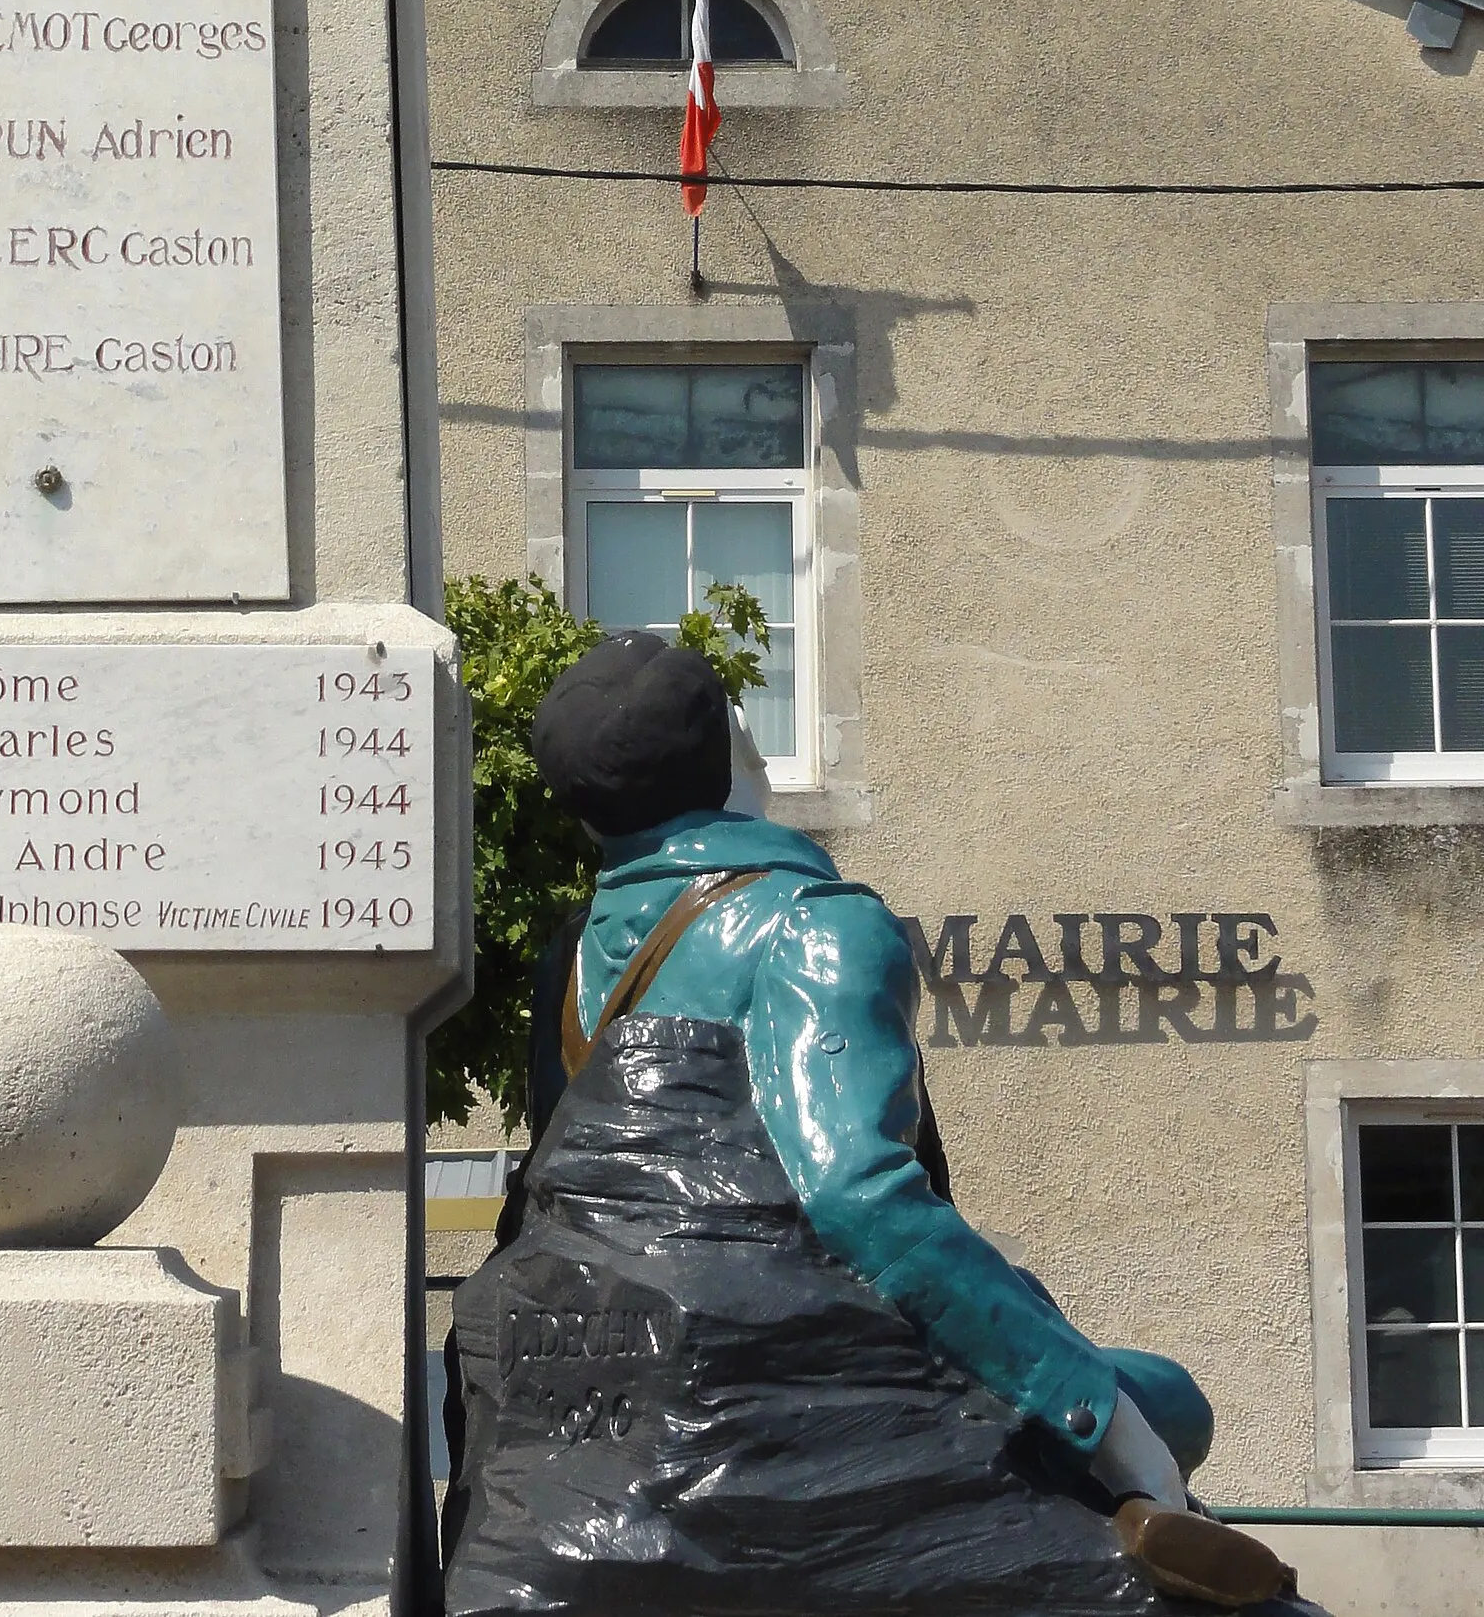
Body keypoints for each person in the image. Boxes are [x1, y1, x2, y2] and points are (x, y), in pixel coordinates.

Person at [440, 633, 1315, 1617]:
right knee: (1164, 1402)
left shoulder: (569, 955)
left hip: (607, 1409)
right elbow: (861, 1196)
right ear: (736, 753)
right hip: (787, 1381)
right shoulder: (811, 920)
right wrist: (1110, 1430)